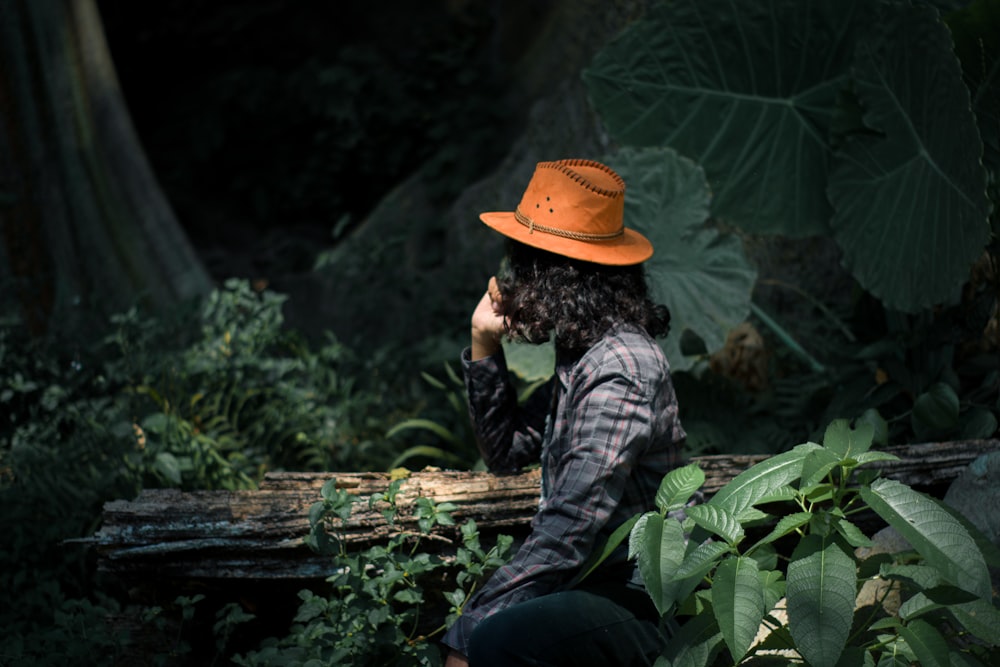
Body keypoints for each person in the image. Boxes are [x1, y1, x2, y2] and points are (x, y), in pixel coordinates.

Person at [441, 159, 686, 667]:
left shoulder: (621, 367)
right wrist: (483, 341)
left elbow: (570, 526)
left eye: (525, 265)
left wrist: (467, 632)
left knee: (495, 641)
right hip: (593, 581)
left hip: (648, 597)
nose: (515, 280)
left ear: (559, 277)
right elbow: (506, 453)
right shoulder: (584, 352)